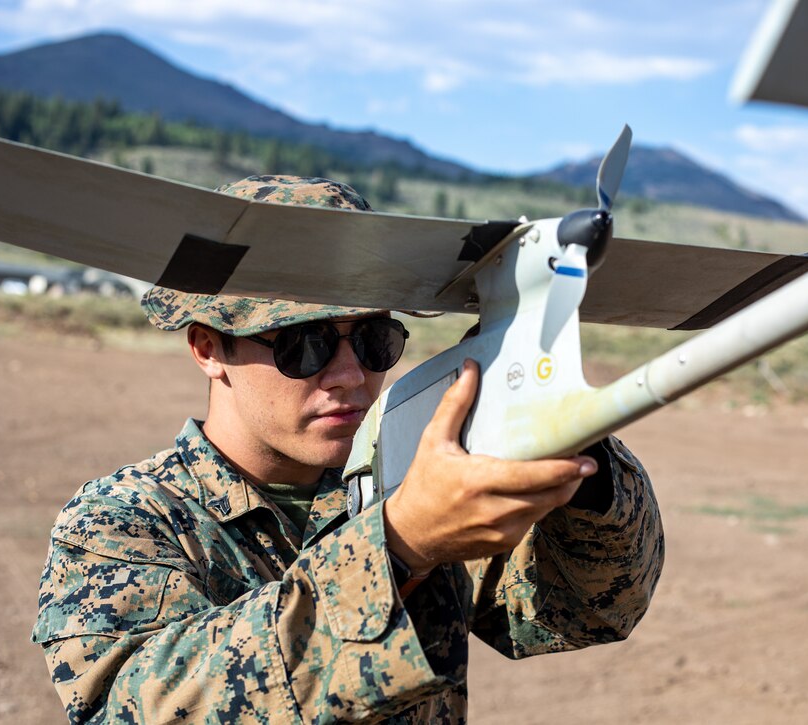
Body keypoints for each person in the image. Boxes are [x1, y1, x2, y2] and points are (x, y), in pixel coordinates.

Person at [32, 176, 664, 723]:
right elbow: (139, 710)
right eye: (302, 344)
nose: (349, 375)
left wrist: (578, 461)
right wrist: (397, 546)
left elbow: (580, 613)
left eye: (373, 341)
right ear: (207, 348)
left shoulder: (401, 476)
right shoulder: (121, 521)